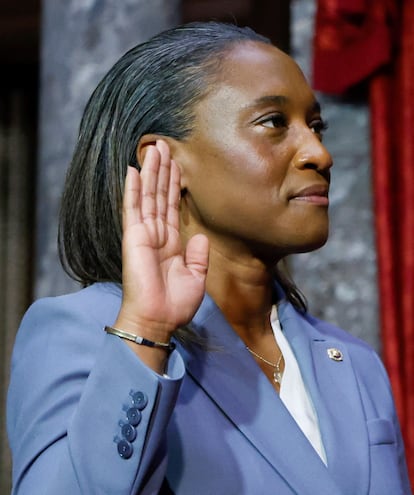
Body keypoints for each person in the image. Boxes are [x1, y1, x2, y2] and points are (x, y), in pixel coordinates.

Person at [7, 21, 411, 495]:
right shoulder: (81, 333)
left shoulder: (355, 363)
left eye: (315, 125)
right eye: (274, 123)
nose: (319, 153)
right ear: (165, 160)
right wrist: (147, 332)